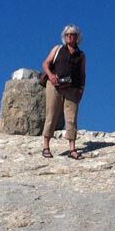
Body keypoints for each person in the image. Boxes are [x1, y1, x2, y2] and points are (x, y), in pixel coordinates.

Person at [41, 24, 87, 160]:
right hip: (54, 86)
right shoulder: (58, 49)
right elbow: (46, 63)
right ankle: (46, 146)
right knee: (51, 115)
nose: (69, 37)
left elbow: (83, 74)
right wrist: (50, 75)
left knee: (71, 119)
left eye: (72, 34)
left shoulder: (81, 55)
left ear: (77, 37)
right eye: (67, 34)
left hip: (72, 88)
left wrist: (81, 90)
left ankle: (72, 149)